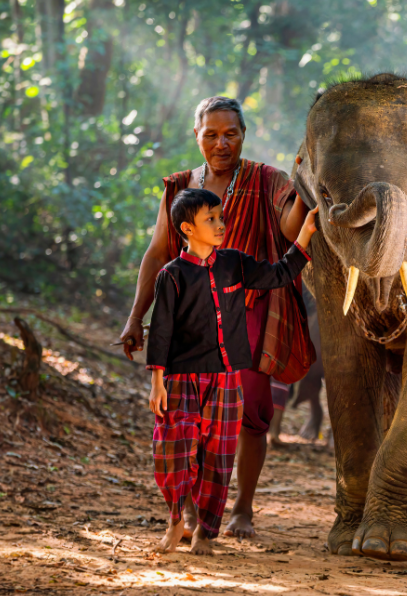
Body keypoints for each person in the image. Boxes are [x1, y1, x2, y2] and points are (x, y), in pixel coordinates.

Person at [121, 97, 310, 539]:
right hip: (191, 320)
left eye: (231, 134)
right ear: (196, 136)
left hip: (249, 316)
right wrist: (136, 316)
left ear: (244, 135)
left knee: (246, 415)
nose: (221, 143)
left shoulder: (268, 180)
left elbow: (289, 230)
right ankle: (189, 511)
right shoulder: (181, 187)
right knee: (187, 417)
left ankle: (241, 508)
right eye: (212, 134)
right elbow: (156, 252)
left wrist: (303, 186)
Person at [147, 188, 318, 554]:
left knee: (219, 457)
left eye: (220, 217)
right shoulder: (171, 276)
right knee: (172, 453)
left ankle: (206, 532)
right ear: (187, 229)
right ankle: (177, 519)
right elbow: (160, 331)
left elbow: (278, 275)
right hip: (180, 379)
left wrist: (304, 234)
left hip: (226, 378)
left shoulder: (234, 264)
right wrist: (156, 382)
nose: (220, 224)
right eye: (210, 219)